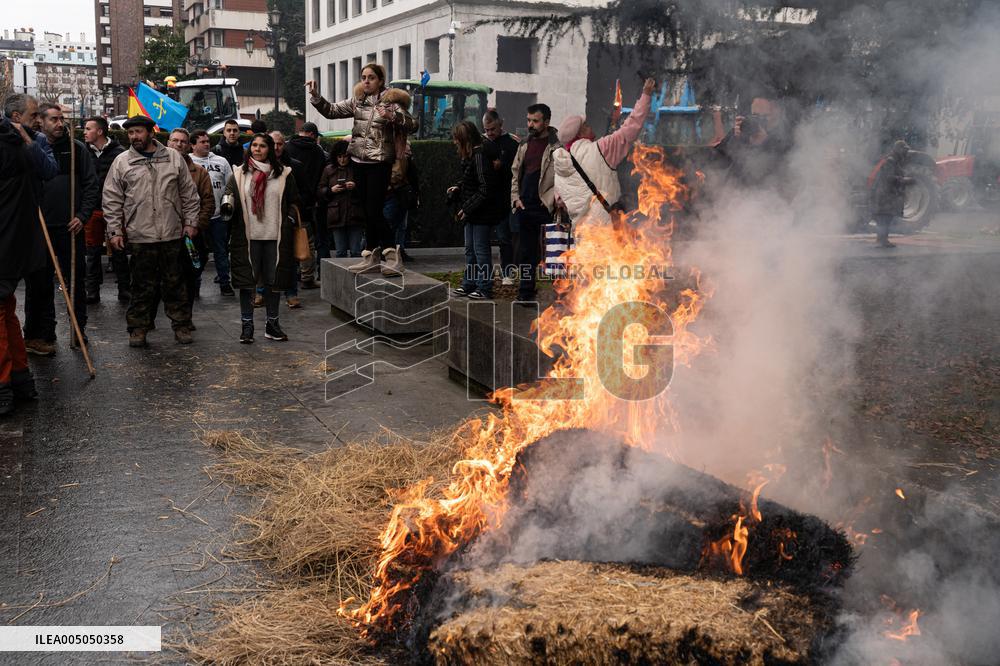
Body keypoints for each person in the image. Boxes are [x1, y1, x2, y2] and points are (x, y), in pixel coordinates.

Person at [307, 62, 416, 276]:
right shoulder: (358, 101)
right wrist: (316, 96)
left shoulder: (392, 103)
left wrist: (392, 116)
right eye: (363, 77)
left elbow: (413, 124)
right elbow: (331, 111)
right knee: (366, 211)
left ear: (380, 81)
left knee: (374, 210)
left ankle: (393, 256)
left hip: (380, 163)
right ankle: (371, 256)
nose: (366, 81)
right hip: (358, 161)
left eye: (371, 77)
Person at [103, 115, 201, 347]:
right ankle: (138, 328)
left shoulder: (173, 157)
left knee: (176, 284)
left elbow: (189, 194)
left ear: (151, 133)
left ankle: (181, 325)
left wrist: (191, 223)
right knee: (141, 286)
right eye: (130, 133)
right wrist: (115, 231)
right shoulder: (122, 162)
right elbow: (111, 198)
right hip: (140, 235)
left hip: (172, 233)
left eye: (138, 132)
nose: (134, 137)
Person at [22, 103, 97, 356]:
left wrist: (82, 216)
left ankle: (78, 329)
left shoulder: (76, 149)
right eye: (53, 119)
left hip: (70, 227)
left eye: (61, 118)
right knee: (38, 284)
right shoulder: (32, 148)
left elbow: (91, 185)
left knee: (75, 282)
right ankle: (43, 333)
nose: (59, 123)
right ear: (41, 122)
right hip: (40, 229)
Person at [222, 133, 301, 343]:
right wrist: (228, 205)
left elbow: (295, 201)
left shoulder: (284, 174)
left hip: (276, 237)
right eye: (254, 145)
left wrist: (290, 219)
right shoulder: (239, 174)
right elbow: (228, 197)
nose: (257, 149)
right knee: (247, 284)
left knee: (273, 283)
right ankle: (247, 326)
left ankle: (272, 325)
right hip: (247, 237)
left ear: (270, 149)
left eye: (262, 146)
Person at [0, 110, 52, 416]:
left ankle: (4, 385)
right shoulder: (19, 139)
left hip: (6, 238)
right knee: (6, 311)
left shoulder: (14, 141)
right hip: (18, 239)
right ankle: (20, 379)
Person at [554, 78, 654, 227]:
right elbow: (631, 127)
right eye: (586, 125)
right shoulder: (601, 149)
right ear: (580, 133)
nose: (590, 126)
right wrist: (646, 95)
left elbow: (560, 201)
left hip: (581, 231)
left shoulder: (561, 163)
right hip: (605, 228)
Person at [510, 103, 561, 302]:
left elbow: (563, 177)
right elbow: (515, 173)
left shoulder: (557, 147)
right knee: (526, 252)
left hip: (545, 208)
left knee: (554, 252)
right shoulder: (524, 144)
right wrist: (516, 199)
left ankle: (561, 296)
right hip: (525, 206)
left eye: (535, 121)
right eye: (528, 120)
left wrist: (551, 200)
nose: (530, 125)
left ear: (546, 122)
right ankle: (525, 292)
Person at [449, 121, 504, 299]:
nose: (454, 142)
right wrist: (459, 187)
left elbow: (485, 188)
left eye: (457, 139)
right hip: (474, 211)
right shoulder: (474, 155)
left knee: (479, 251)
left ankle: (484, 287)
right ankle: (470, 284)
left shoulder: (479, 155)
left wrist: (467, 208)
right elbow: (472, 180)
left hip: (481, 213)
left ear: (464, 139)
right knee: (471, 250)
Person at [166, 128, 215, 316]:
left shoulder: (200, 172)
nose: (179, 144)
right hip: (164, 233)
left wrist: (196, 225)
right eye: (175, 140)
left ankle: (185, 317)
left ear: (189, 146)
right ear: (168, 142)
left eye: (183, 141)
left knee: (189, 277)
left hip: (191, 236)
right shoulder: (158, 167)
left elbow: (208, 202)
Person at [82, 115, 128, 304]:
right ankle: (92, 290)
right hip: (92, 209)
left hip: (114, 209)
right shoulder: (83, 151)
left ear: (100, 131)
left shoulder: (119, 153)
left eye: (88, 129)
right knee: (92, 252)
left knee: (119, 250)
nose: (84, 132)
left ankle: (125, 289)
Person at [189, 128, 235, 295]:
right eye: (202, 142)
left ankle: (225, 283)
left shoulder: (221, 161)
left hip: (217, 216)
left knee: (221, 251)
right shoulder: (187, 162)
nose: (207, 144)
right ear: (193, 145)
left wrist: (227, 209)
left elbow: (230, 186)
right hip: (196, 217)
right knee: (196, 253)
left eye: (208, 141)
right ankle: (194, 284)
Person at [714, 96, 792, 190]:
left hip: (766, 196)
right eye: (755, 116)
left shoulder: (788, 139)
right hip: (734, 194)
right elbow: (716, 158)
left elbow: (784, 176)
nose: (757, 121)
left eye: (764, 117)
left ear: (777, 112)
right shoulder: (742, 134)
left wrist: (765, 143)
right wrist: (735, 139)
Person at [284, 121, 327, 287]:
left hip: (288, 201)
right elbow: (322, 175)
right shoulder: (318, 151)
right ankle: (307, 277)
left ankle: (289, 275)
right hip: (309, 202)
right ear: (312, 135)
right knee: (307, 240)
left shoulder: (287, 147)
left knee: (286, 240)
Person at [270, 130, 307, 308]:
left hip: (286, 219)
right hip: (265, 219)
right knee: (264, 258)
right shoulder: (259, 165)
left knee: (289, 260)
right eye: (273, 144)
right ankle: (262, 292)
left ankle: (291, 293)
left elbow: (303, 194)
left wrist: (291, 217)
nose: (276, 147)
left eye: (280, 144)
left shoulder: (294, 166)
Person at [483, 109, 520, 285]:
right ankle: (484, 274)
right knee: (482, 240)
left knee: (505, 237)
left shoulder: (511, 144)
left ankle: (507, 272)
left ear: (501, 124)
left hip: (504, 199)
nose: (490, 133)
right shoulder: (482, 143)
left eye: (493, 129)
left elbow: (517, 172)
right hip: (485, 199)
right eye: (487, 130)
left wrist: (502, 166)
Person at [317, 140, 363, 258]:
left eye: (345, 156)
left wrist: (356, 186)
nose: (342, 160)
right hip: (336, 214)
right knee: (340, 252)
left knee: (356, 252)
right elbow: (320, 190)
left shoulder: (357, 169)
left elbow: (366, 189)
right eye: (340, 157)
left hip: (354, 213)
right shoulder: (328, 170)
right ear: (335, 157)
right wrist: (330, 190)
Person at [871, 140, 914, 248]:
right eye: (904, 150)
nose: (906, 152)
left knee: (886, 218)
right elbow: (889, 178)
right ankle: (882, 240)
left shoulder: (895, 161)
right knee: (884, 218)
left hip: (888, 194)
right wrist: (904, 180)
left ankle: (882, 239)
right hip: (885, 194)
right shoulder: (891, 161)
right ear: (898, 149)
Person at [383, 141, 420, 256]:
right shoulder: (401, 157)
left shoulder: (399, 157)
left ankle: (389, 251)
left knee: (391, 224)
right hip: (397, 194)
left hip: (394, 194)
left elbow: (397, 175)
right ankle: (393, 250)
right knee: (396, 224)